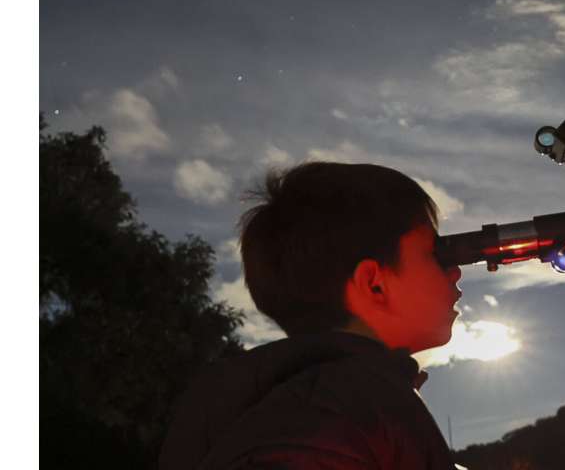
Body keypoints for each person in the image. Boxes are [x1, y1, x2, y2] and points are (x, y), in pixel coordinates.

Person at [159, 162, 465, 470]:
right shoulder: (345, 406)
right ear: (374, 283)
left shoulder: (301, 402)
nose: (453, 272)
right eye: (434, 254)